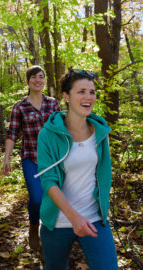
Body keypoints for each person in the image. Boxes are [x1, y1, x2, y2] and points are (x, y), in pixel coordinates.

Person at [35, 69, 118, 269]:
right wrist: (74, 218)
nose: (88, 97)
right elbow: (48, 181)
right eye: (81, 91)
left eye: (92, 92)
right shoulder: (48, 134)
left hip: (94, 218)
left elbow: (102, 174)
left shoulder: (100, 131)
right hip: (58, 221)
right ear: (66, 97)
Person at [3, 65, 60, 250]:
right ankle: (34, 226)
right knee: (36, 198)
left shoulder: (53, 104)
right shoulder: (19, 107)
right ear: (28, 81)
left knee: (53, 198)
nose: (38, 80)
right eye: (34, 77)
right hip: (30, 159)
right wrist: (7, 158)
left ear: (45, 80)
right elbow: (12, 134)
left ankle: (50, 234)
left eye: (41, 77)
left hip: (53, 159)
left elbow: (62, 130)